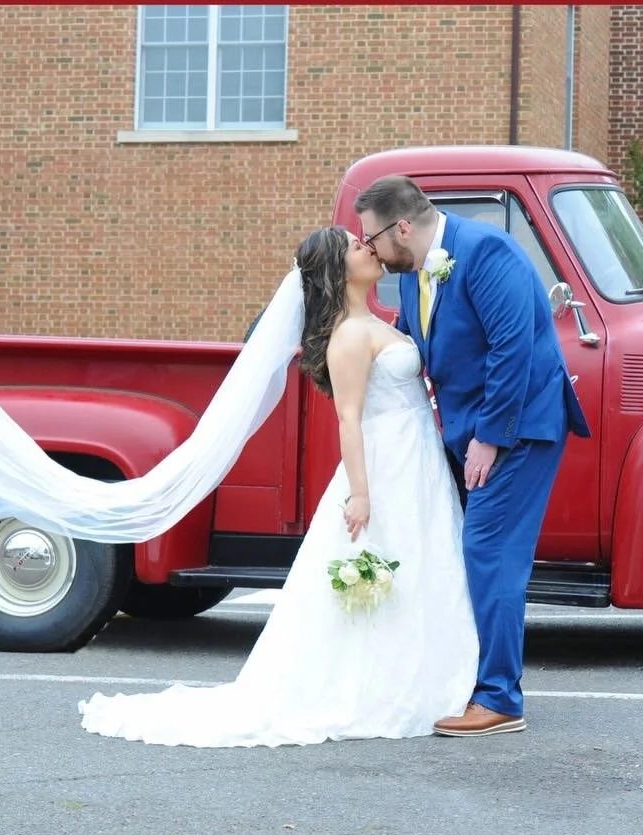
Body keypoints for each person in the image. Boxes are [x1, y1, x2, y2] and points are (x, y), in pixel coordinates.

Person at [76, 227, 479, 747]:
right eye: (357, 247)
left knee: (425, 563)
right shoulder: (350, 336)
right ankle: (393, 685)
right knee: (394, 562)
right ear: (339, 271)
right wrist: (360, 493)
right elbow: (349, 420)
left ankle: (431, 675)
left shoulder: (372, 322)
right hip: (386, 464)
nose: (368, 249)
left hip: (415, 461)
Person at [355, 177, 590, 738]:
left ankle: (500, 698)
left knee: (491, 551)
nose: (369, 249)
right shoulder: (413, 277)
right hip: (467, 434)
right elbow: (411, 348)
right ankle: (473, 678)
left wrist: (490, 439)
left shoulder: (489, 253)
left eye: (372, 238)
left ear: (402, 227)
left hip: (519, 429)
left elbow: (513, 349)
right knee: (474, 552)